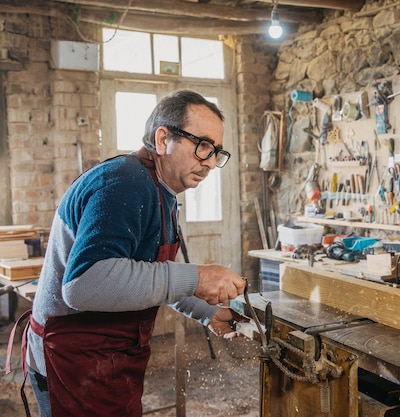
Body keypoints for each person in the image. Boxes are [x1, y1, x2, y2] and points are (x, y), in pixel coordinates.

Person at [13, 90, 248, 417]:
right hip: (72, 361)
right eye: (202, 145)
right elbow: (84, 284)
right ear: (163, 139)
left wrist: (206, 312)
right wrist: (197, 276)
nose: (209, 162)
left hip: (105, 356)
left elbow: (146, 274)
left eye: (216, 151)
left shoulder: (158, 189)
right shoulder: (125, 183)